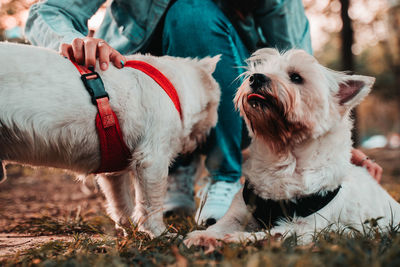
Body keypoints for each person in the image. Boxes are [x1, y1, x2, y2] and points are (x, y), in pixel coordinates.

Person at [25, 0, 382, 226]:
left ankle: (224, 177)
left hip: (240, 107)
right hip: (128, 98)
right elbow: (48, 11)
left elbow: (303, 78)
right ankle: (172, 172)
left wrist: (333, 144)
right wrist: (69, 40)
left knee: (191, 11)